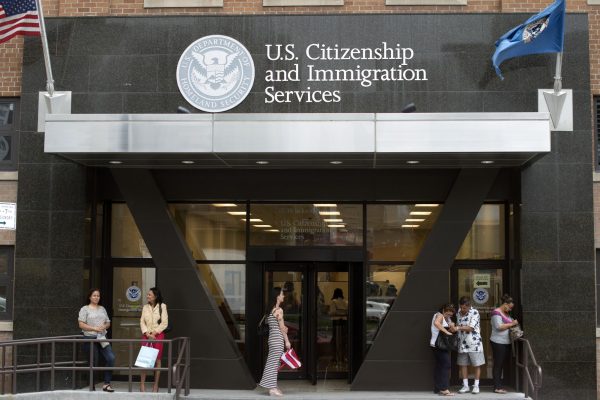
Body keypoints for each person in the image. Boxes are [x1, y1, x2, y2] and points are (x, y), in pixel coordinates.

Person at [78, 288, 115, 393]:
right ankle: (92, 385)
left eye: (98, 296)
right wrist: (94, 328)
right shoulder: (84, 309)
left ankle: (106, 384)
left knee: (111, 358)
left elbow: (108, 322)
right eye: (94, 295)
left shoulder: (102, 308)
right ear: (89, 297)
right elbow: (81, 324)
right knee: (93, 361)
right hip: (90, 337)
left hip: (102, 337)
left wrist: (104, 326)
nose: (96, 297)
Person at [259, 287, 291, 397]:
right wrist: (287, 341)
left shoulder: (271, 310)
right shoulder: (279, 310)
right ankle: (272, 388)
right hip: (278, 339)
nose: (283, 296)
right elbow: (282, 328)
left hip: (272, 339)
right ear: (277, 296)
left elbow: (277, 326)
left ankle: (273, 385)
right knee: (273, 364)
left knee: (273, 363)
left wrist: (284, 327)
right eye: (282, 294)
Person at [139, 287, 169, 393]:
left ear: (155, 296)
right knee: (144, 361)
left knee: (157, 360)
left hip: (158, 336)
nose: (147, 296)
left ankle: (155, 385)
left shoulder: (162, 306)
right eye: (147, 294)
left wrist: (154, 333)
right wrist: (146, 333)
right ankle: (142, 385)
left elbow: (164, 323)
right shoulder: (145, 307)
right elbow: (142, 321)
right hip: (146, 335)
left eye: (149, 295)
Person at [490, 294, 519, 394]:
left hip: (506, 342)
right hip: (498, 342)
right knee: (498, 364)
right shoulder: (496, 313)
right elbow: (499, 326)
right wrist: (512, 323)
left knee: (501, 364)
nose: (510, 309)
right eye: (509, 307)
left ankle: (499, 385)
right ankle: (497, 387)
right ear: (505, 304)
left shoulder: (506, 314)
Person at [456, 296, 485, 394]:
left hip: (474, 343)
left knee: (477, 364)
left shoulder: (475, 312)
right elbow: (458, 325)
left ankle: (476, 386)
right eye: (461, 307)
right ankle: (465, 386)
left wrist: (457, 328)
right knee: (463, 364)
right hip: (462, 343)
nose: (462, 309)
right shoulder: (458, 312)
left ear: (469, 306)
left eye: (464, 308)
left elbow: (470, 328)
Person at [430, 303, 457, 397]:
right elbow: (436, 323)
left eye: (451, 313)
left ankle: (438, 388)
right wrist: (446, 331)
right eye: (448, 312)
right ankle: (444, 389)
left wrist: (452, 326)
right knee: (446, 365)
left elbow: (451, 331)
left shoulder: (447, 318)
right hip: (438, 345)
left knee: (440, 366)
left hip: (439, 345)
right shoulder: (439, 315)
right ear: (443, 310)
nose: (449, 314)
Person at [329, 288, 348, 364]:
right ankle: (343, 357)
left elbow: (332, 312)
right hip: (344, 321)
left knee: (335, 339)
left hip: (336, 321)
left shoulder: (334, 301)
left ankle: (336, 357)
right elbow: (347, 311)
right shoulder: (345, 302)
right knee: (343, 339)